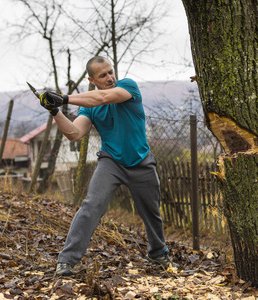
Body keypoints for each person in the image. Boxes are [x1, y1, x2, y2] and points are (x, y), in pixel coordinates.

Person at [38, 56, 179, 276]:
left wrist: (64, 98)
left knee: (151, 212)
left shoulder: (127, 87)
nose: (110, 77)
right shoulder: (89, 107)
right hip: (111, 162)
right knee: (91, 206)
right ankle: (66, 261)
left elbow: (102, 98)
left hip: (141, 161)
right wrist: (55, 111)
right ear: (92, 79)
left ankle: (158, 254)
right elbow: (74, 133)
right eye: (103, 75)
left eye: (111, 72)